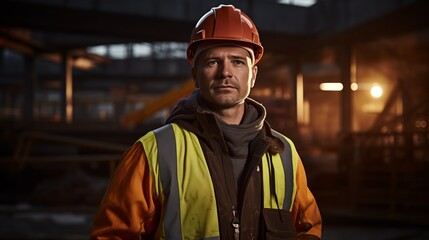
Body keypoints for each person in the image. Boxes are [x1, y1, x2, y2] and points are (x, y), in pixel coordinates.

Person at [90, 4, 322, 240]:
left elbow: (308, 228)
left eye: (238, 62)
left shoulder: (284, 154)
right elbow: (112, 235)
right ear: (195, 75)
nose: (225, 73)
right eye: (213, 62)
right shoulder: (154, 152)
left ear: (253, 75)